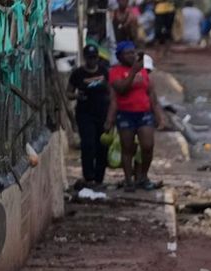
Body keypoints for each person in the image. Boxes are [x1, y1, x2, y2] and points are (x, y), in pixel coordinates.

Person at [105, 41, 165, 191]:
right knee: (128, 148)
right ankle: (128, 180)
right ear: (120, 56)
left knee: (147, 146)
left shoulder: (143, 71)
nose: (132, 55)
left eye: (133, 52)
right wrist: (132, 72)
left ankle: (143, 177)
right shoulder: (115, 72)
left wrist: (159, 116)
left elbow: (151, 95)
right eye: (128, 53)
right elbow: (121, 89)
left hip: (144, 113)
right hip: (125, 114)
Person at [67, 44, 111, 189]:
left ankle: (99, 178)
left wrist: (111, 115)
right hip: (85, 114)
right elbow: (68, 93)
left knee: (102, 146)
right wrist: (76, 95)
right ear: (85, 58)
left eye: (95, 57)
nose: (93, 61)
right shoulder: (78, 74)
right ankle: (89, 176)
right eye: (90, 58)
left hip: (102, 114)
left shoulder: (104, 71)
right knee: (88, 144)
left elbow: (111, 93)